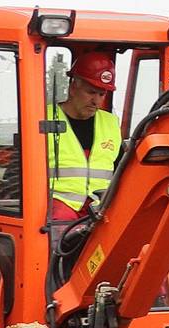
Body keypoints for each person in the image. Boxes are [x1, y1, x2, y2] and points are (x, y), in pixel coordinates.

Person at [48, 50, 123, 224]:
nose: (96, 101)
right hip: (58, 209)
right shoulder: (44, 119)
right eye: (91, 92)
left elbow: (122, 170)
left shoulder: (110, 123)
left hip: (99, 209)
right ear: (73, 87)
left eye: (101, 94)